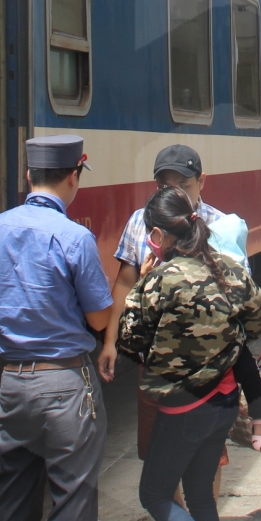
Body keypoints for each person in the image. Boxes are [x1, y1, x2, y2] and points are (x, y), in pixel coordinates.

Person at [0, 135, 113, 521]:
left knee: (11, 499)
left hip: (14, 382)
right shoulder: (75, 236)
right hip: (66, 383)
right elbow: (98, 318)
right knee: (71, 502)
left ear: (29, 176)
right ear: (73, 176)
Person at [118, 186, 261, 521]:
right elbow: (256, 324)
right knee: (201, 494)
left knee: (154, 493)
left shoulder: (161, 280)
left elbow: (129, 341)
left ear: (156, 235)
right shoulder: (230, 270)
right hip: (222, 403)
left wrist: (146, 280)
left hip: (182, 406)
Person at [100, 145, 224, 383]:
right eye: (164, 187)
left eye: (183, 185)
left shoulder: (220, 225)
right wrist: (110, 342)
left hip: (208, 366)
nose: (175, 194)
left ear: (202, 181)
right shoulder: (139, 221)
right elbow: (125, 282)